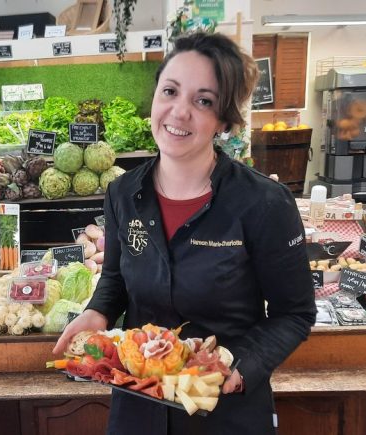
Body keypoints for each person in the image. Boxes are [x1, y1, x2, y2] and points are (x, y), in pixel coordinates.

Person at [53, 32, 317, 434]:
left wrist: (239, 365)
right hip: (139, 402)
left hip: (223, 407)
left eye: (203, 100)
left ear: (224, 119)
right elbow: (116, 278)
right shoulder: (124, 192)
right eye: (170, 91)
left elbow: (294, 313)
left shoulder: (264, 203)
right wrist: (98, 311)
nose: (179, 112)